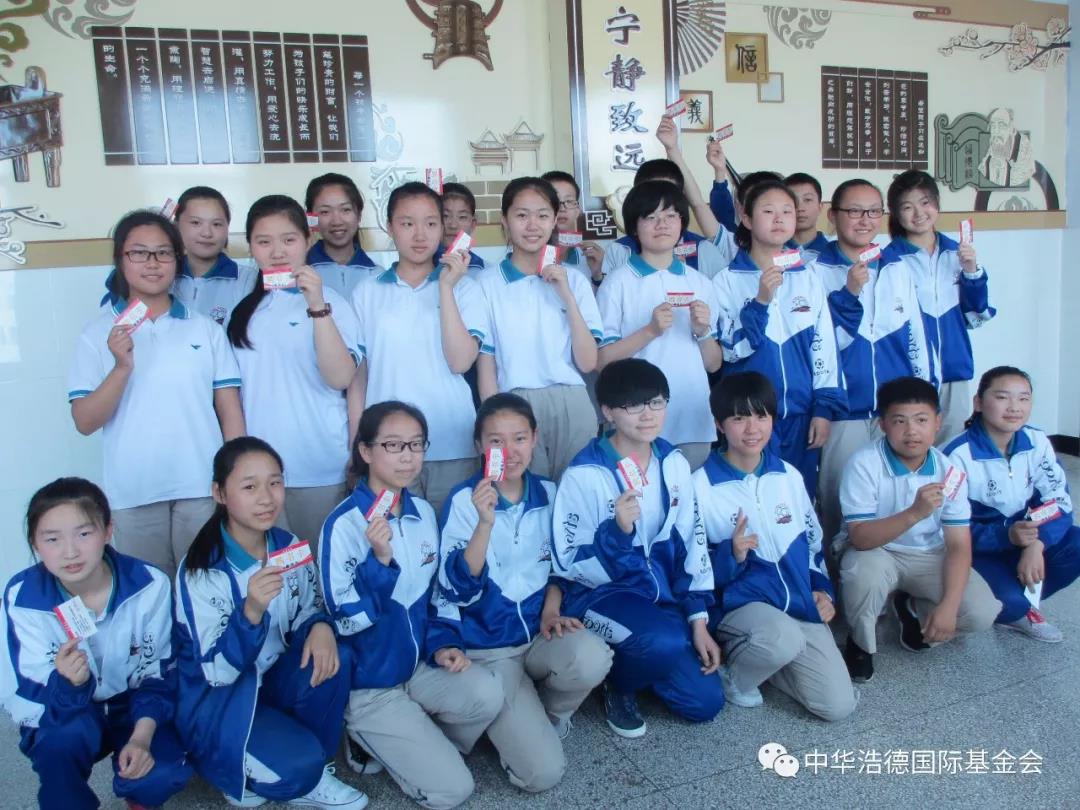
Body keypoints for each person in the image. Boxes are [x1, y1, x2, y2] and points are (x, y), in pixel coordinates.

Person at [321, 402, 503, 810]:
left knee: (488, 693)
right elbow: (346, 620)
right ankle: (366, 734)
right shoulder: (343, 523)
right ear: (365, 451)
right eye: (393, 445)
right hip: (371, 686)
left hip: (420, 667)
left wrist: (442, 644)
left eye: (416, 444)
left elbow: (440, 595)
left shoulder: (422, 512)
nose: (407, 456)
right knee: (453, 791)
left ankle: (418, 739)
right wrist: (379, 563)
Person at [174, 438, 366, 808]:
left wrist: (320, 626)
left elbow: (311, 604)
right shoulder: (201, 570)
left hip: (273, 682)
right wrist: (250, 613)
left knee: (336, 654)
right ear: (219, 493)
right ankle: (237, 767)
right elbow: (217, 672)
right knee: (294, 769)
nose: (266, 498)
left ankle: (309, 767)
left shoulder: (288, 545)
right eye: (249, 487)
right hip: (221, 701)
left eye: (275, 483)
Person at [435, 394, 613, 792]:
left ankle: (547, 716)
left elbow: (562, 569)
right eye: (496, 441)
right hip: (490, 650)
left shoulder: (551, 493)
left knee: (591, 655)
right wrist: (484, 523)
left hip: (538, 635)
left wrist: (551, 612)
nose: (510, 451)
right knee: (542, 774)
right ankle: (508, 719)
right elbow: (456, 591)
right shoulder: (464, 501)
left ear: (535, 438)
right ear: (479, 446)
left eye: (519, 438)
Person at [552, 359, 724, 738]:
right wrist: (617, 532)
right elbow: (568, 563)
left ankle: (645, 656)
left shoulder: (673, 462)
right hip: (599, 596)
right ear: (608, 411)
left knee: (704, 702)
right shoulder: (584, 473)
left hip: (659, 599)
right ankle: (620, 684)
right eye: (632, 405)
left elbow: (692, 542)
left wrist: (698, 619)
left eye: (657, 402)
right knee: (662, 641)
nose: (647, 415)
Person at [68, 209, 244, 577]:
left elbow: (230, 411)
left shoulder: (205, 330)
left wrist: (236, 478)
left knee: (205, 585)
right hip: (134, 491)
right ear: (120, 260)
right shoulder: (96, 334)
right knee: (148, 592)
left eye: (163, 253)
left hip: (201, 486)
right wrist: (121, 367)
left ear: (177, 259)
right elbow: (84, 421)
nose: (152, 263)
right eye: (139, 253)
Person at [0, 478, 192, 810]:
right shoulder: (24, 597)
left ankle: (138, 793)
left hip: (131, 704)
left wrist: (141, 738)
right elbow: (33, 688)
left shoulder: (149, 585)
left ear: (108, 531)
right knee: (59, 744)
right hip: (64, 710)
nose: (70, 552)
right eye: (52, 539)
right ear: (35, 544)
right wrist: (69, 684)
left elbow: (158, 674)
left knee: (163, 772)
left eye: (84, 534)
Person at [695, 373, 856, 721]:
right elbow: (690, 569)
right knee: (780, 638)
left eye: (761, 416)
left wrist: (823, 590)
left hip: (797, 603)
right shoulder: (701, 486)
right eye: (739, 418)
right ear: (719, 425)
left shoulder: (789, 476)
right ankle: (735, 677)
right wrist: (732, 555)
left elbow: (812, 544)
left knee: (837, 706)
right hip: (741, 608)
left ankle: (767, 662)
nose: (752, 428)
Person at [836, 377, 1000, 683]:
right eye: (900, 421)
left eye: (921, 420)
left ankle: (912, 615)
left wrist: (949, 607)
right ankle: (860, 643)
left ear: (937, 422)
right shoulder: (863, 464)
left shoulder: (950, 471)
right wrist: (914, 513)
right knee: (862, 575)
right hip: (877, 550)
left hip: (929, 554)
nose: (911, 431)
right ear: (883, 424)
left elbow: (958, 546)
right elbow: (860, 538)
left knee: (981, 612)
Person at [227, 194, 362, 547]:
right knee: (272, 569)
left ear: (308, 240)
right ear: (250, 247)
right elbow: (232, 399)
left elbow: (341, 378)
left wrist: (317, 306)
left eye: (288, 240)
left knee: (322, 564)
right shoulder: (242, 313)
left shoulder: (335, 304)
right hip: (260, 476)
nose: (277, 252)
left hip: (321, 467)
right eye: (264, 242)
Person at [350, 182, 487, 513]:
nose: (420, 235)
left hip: (452, 442)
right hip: (388, 448)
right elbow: (358, 378)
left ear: (442, 227)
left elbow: (461, 361)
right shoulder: (367, 292)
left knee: (455, 534)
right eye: (407, 223)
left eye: (430, 223)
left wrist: (445, 287)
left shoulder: (466, 289)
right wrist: (356, 444)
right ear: (389, 227)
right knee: (393, 537)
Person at [813, 179, 931, 545]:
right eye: (854, 211)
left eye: (873, 211)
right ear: (833, 216)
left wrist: (925, 393)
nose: (864, 219)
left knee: (895, 497)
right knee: (837, 500)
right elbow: (821, 344)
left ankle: (893, 573)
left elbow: (915, 335)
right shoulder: (814, 269)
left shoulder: (897, 266)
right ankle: (838, 575)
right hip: (844, 410)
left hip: (894, 409)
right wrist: (849, 292)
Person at [714, 179, 844, 497]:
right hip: (749, 420)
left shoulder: (809, 277)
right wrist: (760, 301)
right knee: (754, 498)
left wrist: (823, 410)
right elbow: (730, 351)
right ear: (746, 219)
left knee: (799, 499)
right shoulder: (725, 280)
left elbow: (824, 348)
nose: (779, 219)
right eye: (768, 211)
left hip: (802, 417)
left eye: (787, 211)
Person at [476, 177, 603, 481]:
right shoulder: (485, 284)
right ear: (505, 220)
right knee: (524, 494)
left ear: (554, 220)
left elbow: (588, 362)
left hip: (572, 400)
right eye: (522, 215)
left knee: (579, 492)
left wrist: (566, 295)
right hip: (514, 403)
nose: (532, 225)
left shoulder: (575, 280)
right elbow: (486, 364)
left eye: (543, 215)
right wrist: (493, 418)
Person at [944, 367, 1080, 642]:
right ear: (978, 403)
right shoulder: (955, 455)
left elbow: (1059, 501)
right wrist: (1005, 535)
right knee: (1009, 605)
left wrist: (1037, 543)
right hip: (977, 550)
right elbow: (944, 528)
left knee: (1076, 544)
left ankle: (1021, 600)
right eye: (1002, 397)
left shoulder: (1037, 441)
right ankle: (1015, 607)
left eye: (1023, 398)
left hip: (1025, 538)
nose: (1014, 407)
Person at [596, 180, 723, 471]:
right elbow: (602, 361)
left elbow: (713, 364)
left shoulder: (700, 283)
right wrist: (650, 331)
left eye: (670, 216)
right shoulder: (617, 283)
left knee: (689, 494)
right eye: (650, 217)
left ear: (682, 222)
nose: (662, 224)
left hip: (691, 419)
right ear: (634, 227)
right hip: (636, 420)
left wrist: (703, 332)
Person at [884, 170, 996, 445]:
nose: (918, 213)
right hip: (907, 370)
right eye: (907, 207)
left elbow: (976, 314)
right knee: (910, 444)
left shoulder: (958, 252)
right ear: (895, 213)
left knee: (952, 444)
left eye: (925, 203)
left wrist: (971, 272)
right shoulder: (888, 260)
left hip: (953, 368)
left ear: (937, 204)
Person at [601, 124, 735, 280]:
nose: (661, 203)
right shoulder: (619, 250)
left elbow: (698, 204)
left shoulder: (704, 249)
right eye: (652, 195)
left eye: (669, 194)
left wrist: (673, 149)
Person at [172, 186, 259, 325]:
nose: (207, 233)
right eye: (195, 223)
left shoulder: (248, 280)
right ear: (176, 226)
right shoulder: (163, 277)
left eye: (217, 224)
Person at [305, 172, 381, 297]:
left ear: (359, 215)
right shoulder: (302, 273)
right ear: (311, 218)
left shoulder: (377, 275)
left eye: (346, 210)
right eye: (325, 212)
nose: (337, 221)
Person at [539, 170, 605, 286]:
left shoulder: (591, 256)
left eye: (569, 201)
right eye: (555, 201)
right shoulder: (527, 254)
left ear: (577, 210)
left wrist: (596, 274)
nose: (562, 208)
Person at [436, 182, 486, 273]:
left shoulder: (482, 270)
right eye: (445, 216)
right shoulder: (421, 264)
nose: (453, 225)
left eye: (462, 217)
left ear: (473, 224)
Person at [785, 172, 831, 261]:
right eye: (793, 200)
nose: (800, 208)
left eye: (808, 200)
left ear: (820, 207)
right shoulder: (772, 249)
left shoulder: (834, 250)